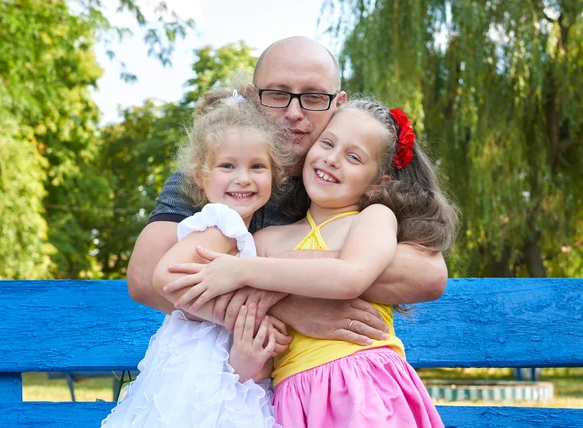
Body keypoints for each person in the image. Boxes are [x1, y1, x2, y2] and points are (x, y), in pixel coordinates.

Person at [127, 36, 448, 352]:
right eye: (278, 94)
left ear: (338, 104)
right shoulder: (218, 173)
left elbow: (426, 274)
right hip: (239, 369)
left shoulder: (346, 182)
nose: (294, 112)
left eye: (312, 97)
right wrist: (292, 307)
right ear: (254, 98)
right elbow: (147, 277)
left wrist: (264, 274)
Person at [166, 100, 458, 427]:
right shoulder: (266, 240)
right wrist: (246, 357)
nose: (332, 159)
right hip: (293, 400)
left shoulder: (372, 219)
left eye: (353, 157)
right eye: (328, 143)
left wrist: (240, 270)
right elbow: (258, 351)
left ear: (378, 183)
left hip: (362, 385)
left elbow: (350, 276)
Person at [102, 87, 292, 427]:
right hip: (189, 377)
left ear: (274, 175)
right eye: (227, 166)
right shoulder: (220, 224)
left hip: (223, 377)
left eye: (257, 166)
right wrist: (239, 318)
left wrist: (249, 349)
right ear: (200, 176)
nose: (243, 178)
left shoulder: (248, 240)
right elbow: (164, 278)